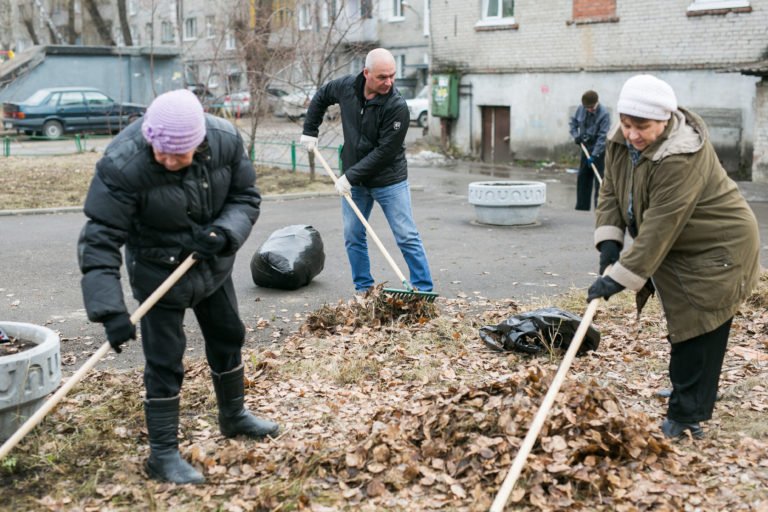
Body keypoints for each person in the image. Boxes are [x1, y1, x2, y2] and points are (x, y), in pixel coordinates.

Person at [77, 89, 279, 484]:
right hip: (157, 273)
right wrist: (110, 310)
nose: (168, 161)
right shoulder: (123, 164)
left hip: (211, 263)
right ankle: (163, 454)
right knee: (165, 360)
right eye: (161, 153)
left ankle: (234, 416)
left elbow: (245, 197)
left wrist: (224, 232)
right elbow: (99, 238)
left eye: (179, 155)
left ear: (199, 143)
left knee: (228, 335)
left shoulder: (224, 140)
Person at [587, 74, 761, 440]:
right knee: (683, 324)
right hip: (681, 248)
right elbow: (611, 190)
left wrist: (617, 278)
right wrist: (609, 242)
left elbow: (659, 227)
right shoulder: (622, 140)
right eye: (627, 123)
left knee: (699, 327)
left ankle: (687, 415)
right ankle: (687, 388)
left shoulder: (682, 156)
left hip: (718, 249)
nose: (632, 133)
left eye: (643, 126)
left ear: (665, 121)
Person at [299, 48, 434, 293]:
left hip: (389, 180)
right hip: (356, 182)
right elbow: (321, 97)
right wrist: (310, 130)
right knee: (353, 236)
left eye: (392, 76)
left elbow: (385, 153)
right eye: (383, 77)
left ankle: (423, 290)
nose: (389, 82)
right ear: (366, 73)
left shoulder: (396, 106)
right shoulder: (346, 87)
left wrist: (349, 176)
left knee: (406, 236)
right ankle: (364, 289)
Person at [569, 90, 611, 211]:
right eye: (587, 108)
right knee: (583, 177)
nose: (589, 110)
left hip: (599, 150)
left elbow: (603, 137)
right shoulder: (581, 108)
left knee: (599, 180)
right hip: (585, 147)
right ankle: (582, 207)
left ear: (596, 103)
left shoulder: (604, 115)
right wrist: (576, 135)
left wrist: (594, 155)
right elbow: (572, 123)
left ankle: (599, 208)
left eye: (591, 108)